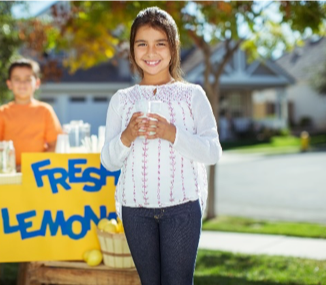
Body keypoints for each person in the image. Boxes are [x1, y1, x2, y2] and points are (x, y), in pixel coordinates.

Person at [100, 7, 222, 285]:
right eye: (142, 43)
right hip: (134, 209)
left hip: (181, 208)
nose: (151, 52)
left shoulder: (192, 95)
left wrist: (171, 133)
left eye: (160, 43)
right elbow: (108, 162)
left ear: (173, 47)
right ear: (132, 50)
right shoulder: (121, 100)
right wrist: (127, 136)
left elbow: (213, 151)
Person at [0, 58, 62, 171]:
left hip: (39, 174)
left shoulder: (45, 111)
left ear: (37, 83)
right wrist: (10, 166)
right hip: (9, 174)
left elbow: (55, 145)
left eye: (28, 79)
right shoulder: (2, 113)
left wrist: (31, 167)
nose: (22, 83)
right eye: (17, 79)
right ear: (9, 84)